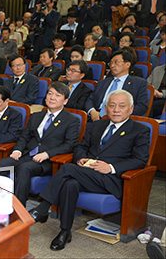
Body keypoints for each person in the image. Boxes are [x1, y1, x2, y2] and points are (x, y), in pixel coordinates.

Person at [29, 90, 149, 251]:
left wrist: (111, 168)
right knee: (70, 184)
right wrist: (81, 158)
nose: (116, 110)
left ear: (131, 109)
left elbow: (140, 160)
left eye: (121, 106)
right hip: (86, 173)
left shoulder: (139, 130)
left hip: (110, 180)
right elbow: (81, 146)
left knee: (68, 169)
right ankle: (65, 231)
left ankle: (43, 207)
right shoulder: (98, 125)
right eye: (112, 106)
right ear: (106, 108)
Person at [0, 82, 79, 206]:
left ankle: (18, 208)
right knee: (2, 164)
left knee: (24, 168)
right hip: (27, 155)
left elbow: (69, 145)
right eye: (50, 93)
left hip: (48, 161)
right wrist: (18, 150)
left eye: (57, 95)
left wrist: (47, 154)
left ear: (65, 101)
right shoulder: (36, 116)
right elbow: (24, 136)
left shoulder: (71, 120)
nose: (52, 98)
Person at [86, 50, 149, 120]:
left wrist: (119, 114)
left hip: (121, 119)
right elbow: (90, 99)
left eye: (116, 62)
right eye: (111, 63)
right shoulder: (103, 82)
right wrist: (92, 111)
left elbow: (142, 106)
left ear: (127, 64)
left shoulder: (139, 83)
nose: (112, 65)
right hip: (97, 118)